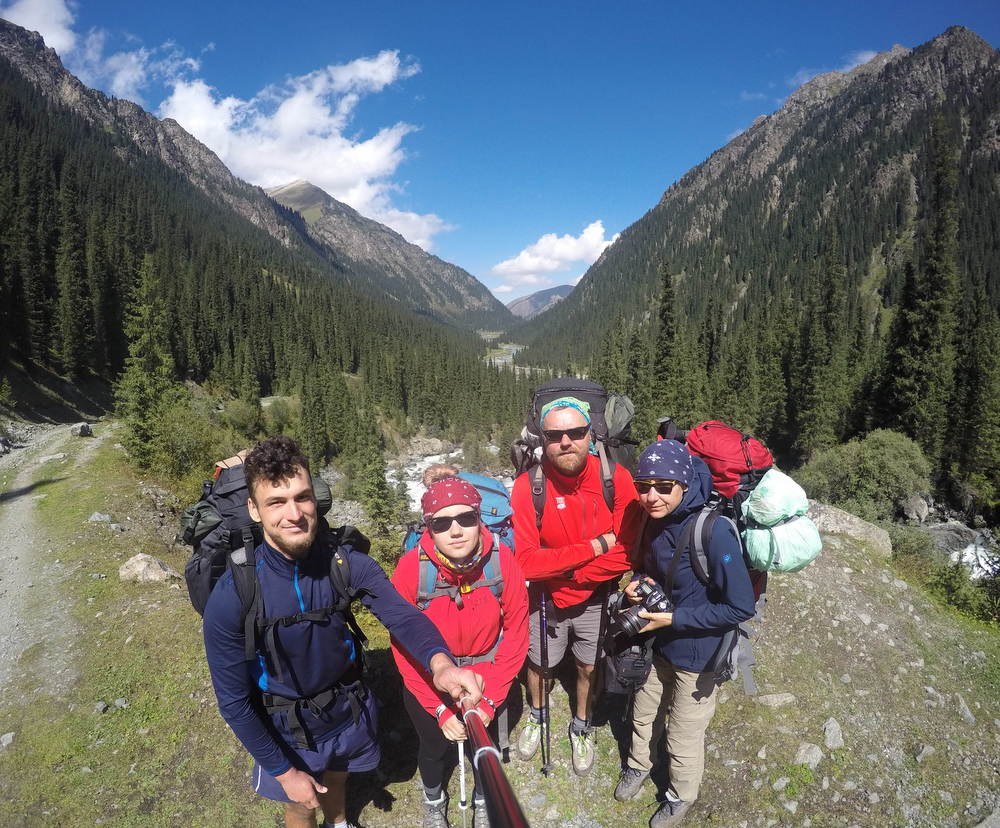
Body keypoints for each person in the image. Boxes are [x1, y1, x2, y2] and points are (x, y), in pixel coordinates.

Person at [202, 436, 484, 828]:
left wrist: (441, 665)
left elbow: (403, 617)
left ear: (314, 497)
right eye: (276, 502)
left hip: (347, 707)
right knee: (300, 805)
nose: (294, 514)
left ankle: (339, 822)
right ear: (254, 508)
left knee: (338, 776)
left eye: (302, 497)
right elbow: (233, 701)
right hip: (288, 725)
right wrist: (285, 772)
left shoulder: (345, 564)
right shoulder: (234, 594)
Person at [614, 440, 755, 827]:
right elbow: (651, 567)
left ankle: (680, 797)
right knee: (643, 713)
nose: (651, 497)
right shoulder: (653, 519)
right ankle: (638, 766)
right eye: (644, 486)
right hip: (656, 645)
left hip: (699, 655)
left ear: (685, 484)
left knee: (682, 734)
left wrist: (674, 619)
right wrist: (638, 583)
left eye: (663, 487)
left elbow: (740, 606)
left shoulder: (715, 532)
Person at [510, 396, 640, 775]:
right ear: (543, 440)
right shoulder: (527, 487)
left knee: (587, 666)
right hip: (545, 598)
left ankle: (581, 724)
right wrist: (596, 546)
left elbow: (627, 552)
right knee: (539, 665)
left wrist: (570, 573)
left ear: (590, 434)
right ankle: (537, 713)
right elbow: (525, 562)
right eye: (555, 435)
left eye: (576, 432)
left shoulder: (616, 479)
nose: (566, 441)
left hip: (594, 597)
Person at [391, 476, 529, 827]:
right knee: (433, 747)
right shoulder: (411, 569)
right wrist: (438, 709)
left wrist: (491, 699)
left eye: (466, 518)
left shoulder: (501, 560)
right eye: (441, 523)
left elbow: (517, 632)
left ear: (479, 518)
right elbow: (403, 646)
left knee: (485, 745)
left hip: (486, 675)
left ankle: (484, 799)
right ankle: (433, 800)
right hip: (429, 678)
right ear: (429, 527)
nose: (455, 530)